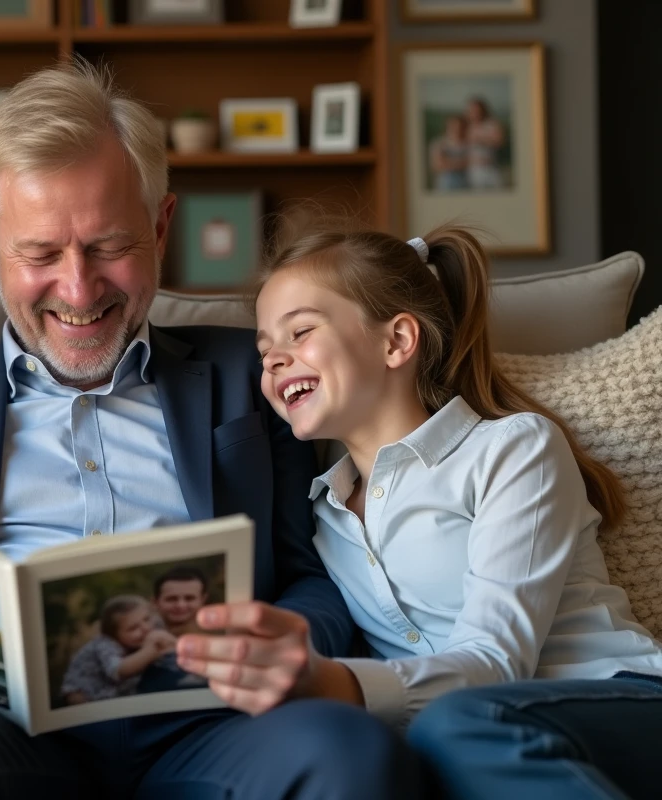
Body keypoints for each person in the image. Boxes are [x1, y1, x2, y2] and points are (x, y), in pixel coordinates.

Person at [0, 61, 423, 800]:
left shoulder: (258, 375)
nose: (78, 289)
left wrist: (294, 642)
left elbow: (315, 577)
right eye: (41, 254)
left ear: (161, 225)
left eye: (109, 246)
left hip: (218, 728)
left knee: (347, 750)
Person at [179, 211, 662, 799]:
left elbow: (497, 660)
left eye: (300, 332)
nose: (275, 359)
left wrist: (340, 684)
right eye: (265, 348)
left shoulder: (512, 449)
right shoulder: (322, 516)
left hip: (618, 701)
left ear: (396, 341)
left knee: (455, 724)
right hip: (460, 743)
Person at [61, 595, 176, 704]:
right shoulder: (105, 644)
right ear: (114, 635)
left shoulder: (153, 626)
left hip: (118, 693)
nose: (145, 628)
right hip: (86, 694)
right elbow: (117, 671)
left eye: (146, 619)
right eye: (133, 628)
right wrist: (150, 651)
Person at [137, 566, 211, 693]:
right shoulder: (134, 644)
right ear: (155, 602)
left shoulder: (218, 644)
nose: (180, 605)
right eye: (171, 599)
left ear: (203, 600)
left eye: (189, 598)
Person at [465, 96, 507, 190]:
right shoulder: (466, 126)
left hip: (492, 168)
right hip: (474, 170)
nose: (475, 113)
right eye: (472, 110)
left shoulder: (493, 124)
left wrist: (481, 140)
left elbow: (500, 141)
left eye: (477, 110)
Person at [428, 114, 469, 191]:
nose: (457, 129)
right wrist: (463, 163)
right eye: (453, 126)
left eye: (460, 126)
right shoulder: (438, 143)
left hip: (465, 184)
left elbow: (474, 162)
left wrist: (448, 162)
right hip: (446, 184)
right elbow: (437, 165)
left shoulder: (468, 144)